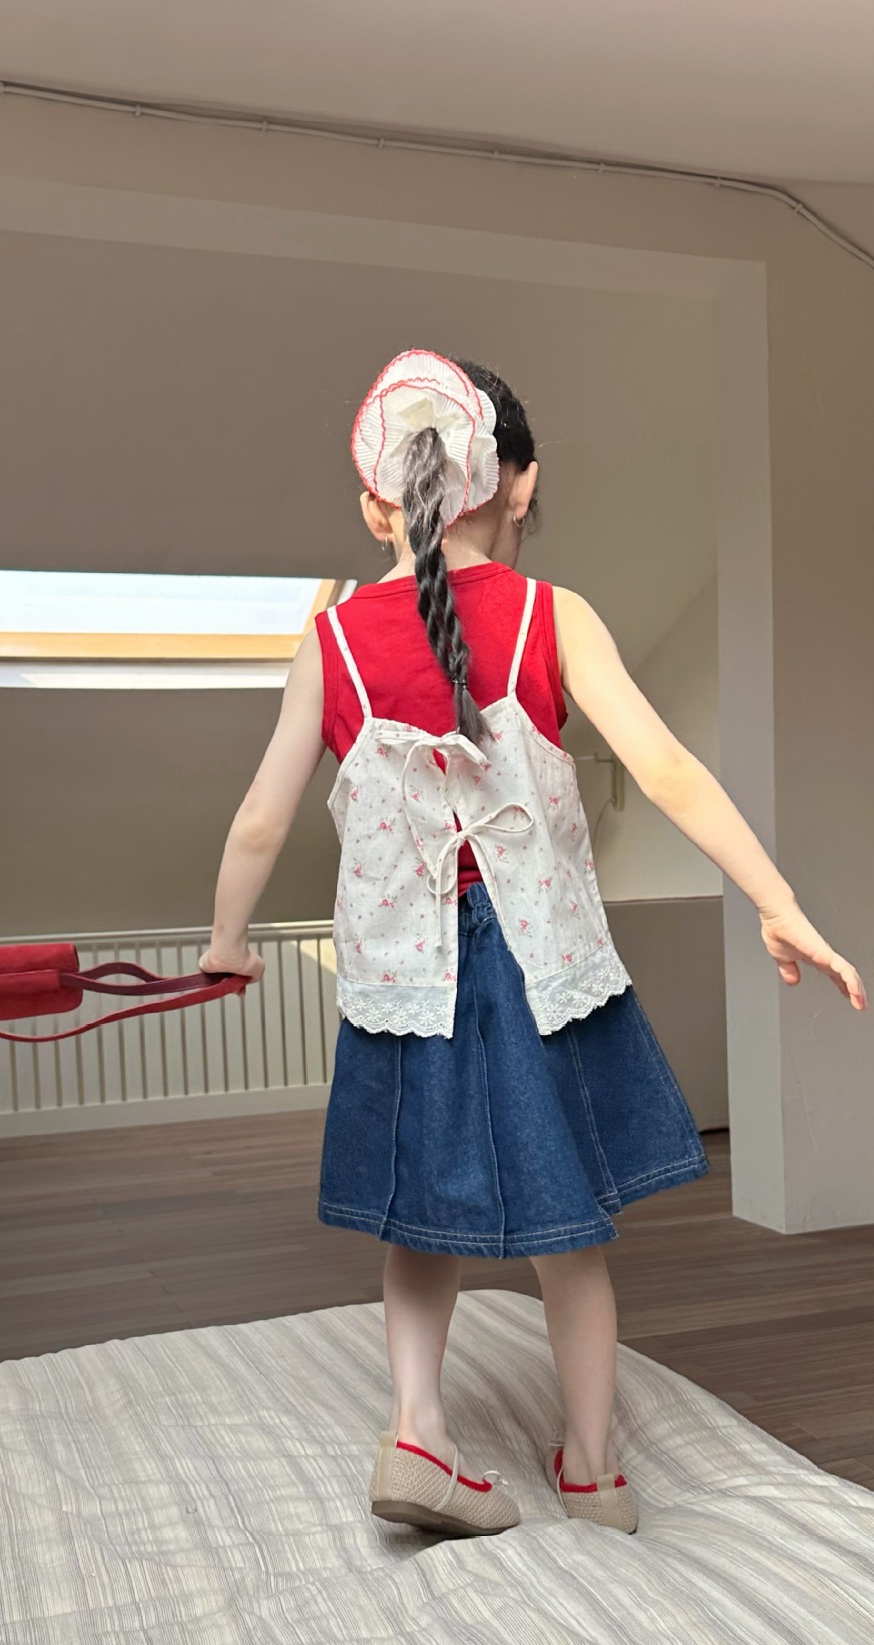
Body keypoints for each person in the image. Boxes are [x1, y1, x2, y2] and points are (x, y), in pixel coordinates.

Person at [199, 348, 866, 1541]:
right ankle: (595, 1469)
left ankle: (418, 1432)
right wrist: (776, 897)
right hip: (537, 972)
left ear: (376, 504)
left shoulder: (331, 641)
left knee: (418, 1229)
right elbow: (665, 768)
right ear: (520, 482)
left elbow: (259, 817)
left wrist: (226, 940)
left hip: (405, 984)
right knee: (573, 1233)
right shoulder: (555, 617)